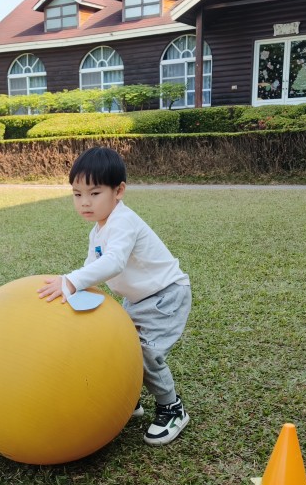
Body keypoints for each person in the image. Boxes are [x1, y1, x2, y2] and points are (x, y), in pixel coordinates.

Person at [38, 146, 192, 446]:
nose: (85, 202)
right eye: (77, 194)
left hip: (166, 295)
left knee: (145, 352)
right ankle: (128, 398)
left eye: (94, 193)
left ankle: (172, 408)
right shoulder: (97, 230)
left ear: (118, 191)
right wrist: (75, 292)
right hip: (138, 299)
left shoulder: (123, 222)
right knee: (119, 345)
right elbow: (92, 267)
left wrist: (70, 281)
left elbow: (113, 263)